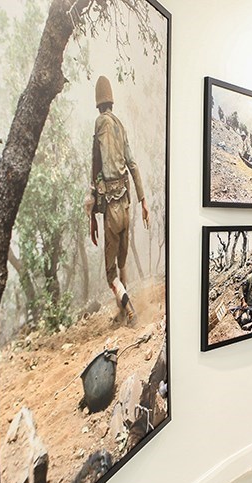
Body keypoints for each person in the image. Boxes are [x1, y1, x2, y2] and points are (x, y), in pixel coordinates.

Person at [87, 75, 148, 326]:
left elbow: (95, 166)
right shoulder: (121, 126)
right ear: (111, 100)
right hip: (125, 203)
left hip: (111, 208)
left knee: (110, 272)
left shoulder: (100, 123)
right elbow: (132, 164)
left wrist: (91, 215)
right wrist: (143, 200)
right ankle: (123, 311)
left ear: (98, 102)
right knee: (122, 262)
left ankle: (130, 310)